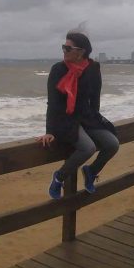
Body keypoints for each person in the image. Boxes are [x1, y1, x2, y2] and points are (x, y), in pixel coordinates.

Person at [36, 31, 119, 199]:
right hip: (64, 120)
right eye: (63, 47)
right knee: (88, 147)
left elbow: (95, 97)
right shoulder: (58, 69)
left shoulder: (93, 68)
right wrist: (49, 131)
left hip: (86, 117)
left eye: (67, 48)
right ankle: (59, 177)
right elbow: (53, 102)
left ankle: (91, 171)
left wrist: (96, 120)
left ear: (80, 52)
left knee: (112, 144)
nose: (64, 51)